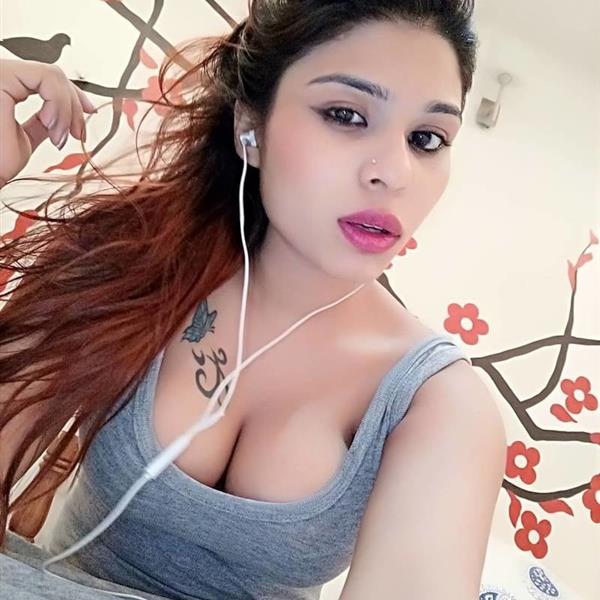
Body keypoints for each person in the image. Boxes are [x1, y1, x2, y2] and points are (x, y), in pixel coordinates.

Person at [0, 1, 507, 599]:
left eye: (426, 138)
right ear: (251, 131)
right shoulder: (127, 260)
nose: (394, 172)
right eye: (345, 115)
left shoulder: (438, 405)